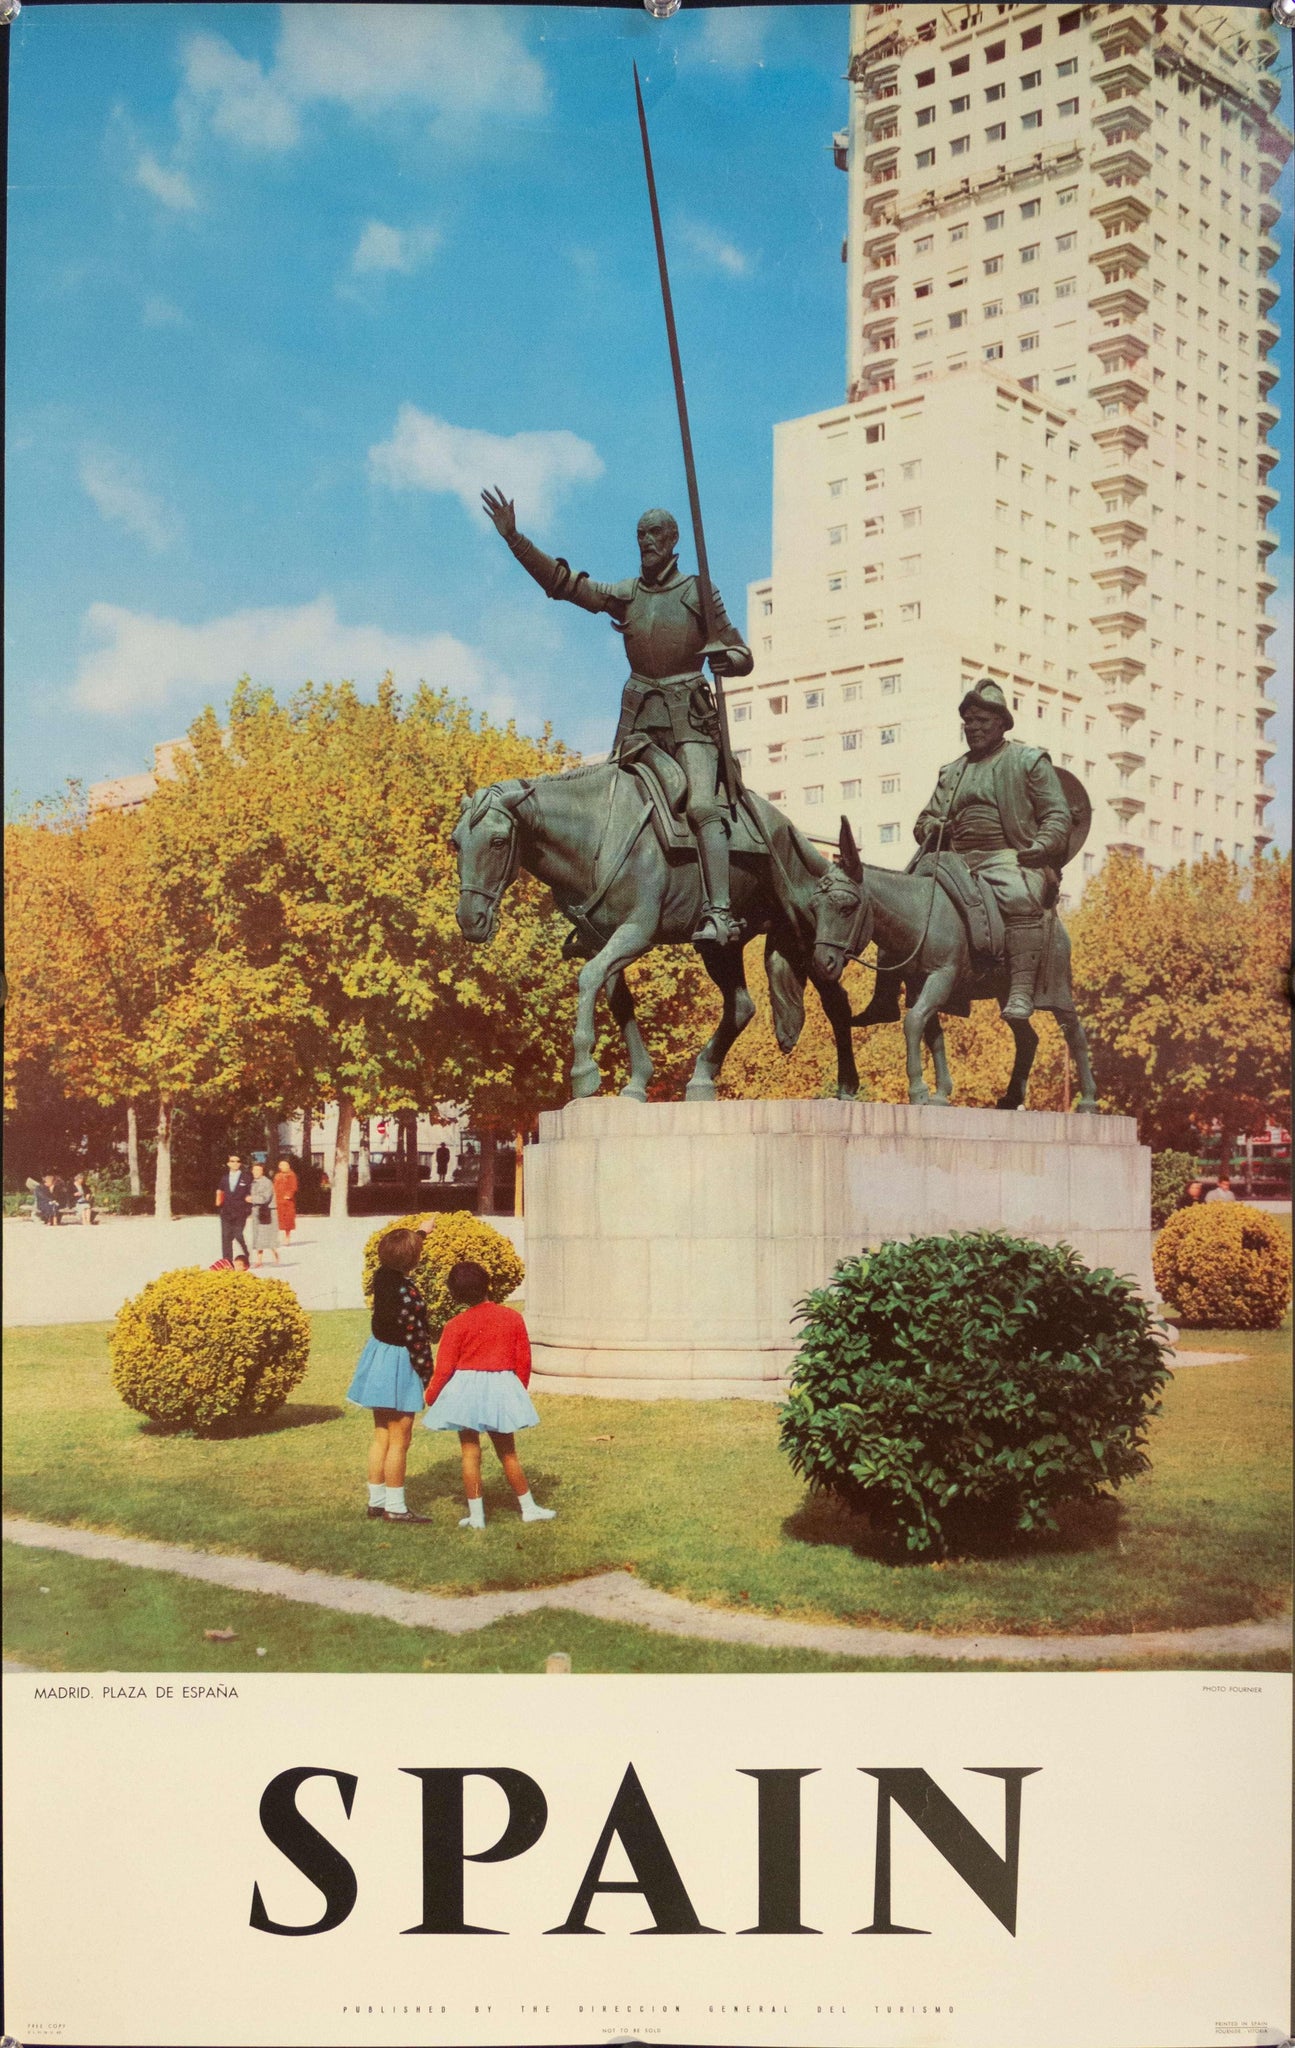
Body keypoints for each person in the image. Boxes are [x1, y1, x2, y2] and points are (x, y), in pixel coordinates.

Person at [483, 487, 753, 947]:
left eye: (655, 534)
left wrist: (730, 658)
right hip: (639, 723)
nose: (646, 542)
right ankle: (595, 919)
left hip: (689, 720)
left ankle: (721, 912)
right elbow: (565, 586)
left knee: (704, 807)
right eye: (640, 535)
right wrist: (516, 539)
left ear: (672, 541)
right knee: (604, 808)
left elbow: (740, 651)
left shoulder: (697, 592)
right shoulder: (628, 595)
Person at [912, 678, 1073, 1022]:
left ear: (1002, 723)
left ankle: (1020, 991)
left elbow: (1057, 814)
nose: (973, 727)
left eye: (982, 720)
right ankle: (890, 992)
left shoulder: (1028, 760)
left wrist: (1042, 846)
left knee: (1019, 894)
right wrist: (933, 828)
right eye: (968, 721)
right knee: (901, 897)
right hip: (953, 860)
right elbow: (923, 819)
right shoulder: (952, 771)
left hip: (1007, 855)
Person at [422, 1259, 555, 1530]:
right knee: (508, 1452)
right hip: (501, 1389)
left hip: (466, 1392)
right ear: (488, 1284)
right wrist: (517, 1391)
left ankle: (477, 1517)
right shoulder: (512, 1317)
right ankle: (528, 1508)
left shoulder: (455, 1325)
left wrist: (431, 1396)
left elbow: (444, 1368)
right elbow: (523, 1360)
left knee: (470, 1452)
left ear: (455, 1294)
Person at [347, 1227, 435, 1525]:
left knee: (382, 1434)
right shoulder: (407, 1294)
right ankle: (396, 1507)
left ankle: (377, 1500)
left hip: (379, 1359)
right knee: (401, 1439)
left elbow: (399, 1257)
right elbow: (417, 1340)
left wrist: (422, 1232)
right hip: (401, 1360)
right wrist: (428, 1375)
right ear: (413, 1260)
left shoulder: (382, 1275)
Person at [216, 1154, 253, 1264]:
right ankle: (227, 1262)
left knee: (238, 1234)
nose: (235, 1163)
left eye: (237, 1161)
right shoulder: (224, 1178)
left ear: (240, 1163)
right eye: (232, 1161)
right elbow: (220, 1192)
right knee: (226, 1237)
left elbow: (251, 1193)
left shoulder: (246, 1177)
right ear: (228, 1163)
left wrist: (248, 1208)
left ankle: (246, 1253)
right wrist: (220, 1206)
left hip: (241, 1212)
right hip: (226, 1212)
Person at [246, 1160, 280, 1265]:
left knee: (267, 1236)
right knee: (258, 1236)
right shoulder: (253, 1182)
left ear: (262, 1171)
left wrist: (251, 1198)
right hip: (257, 1212)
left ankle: (276, 1257)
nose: (256, 1172)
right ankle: (259, 1260)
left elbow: (265, 1198)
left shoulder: (266, 1182)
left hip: (267, 1212)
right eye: (254, 1170)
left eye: (259, 1170)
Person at [272, 1158, 299, 1244]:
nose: (283, 1167)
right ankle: (276, 1238)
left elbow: (294, 1187)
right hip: (278, 1200)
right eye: (281, 1165)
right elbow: (274, 1187)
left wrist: (288, 1195)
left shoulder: (292, 1175)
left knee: (287, 1220)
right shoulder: (277, 1176)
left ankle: (287, 1237)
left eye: (285, 1165)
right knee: (277, 1219)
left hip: (287, 1202)